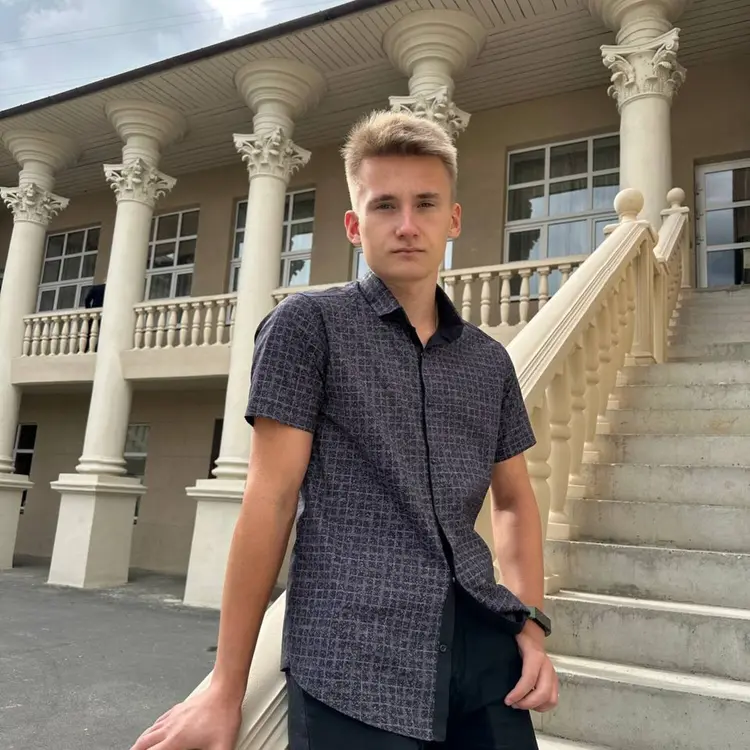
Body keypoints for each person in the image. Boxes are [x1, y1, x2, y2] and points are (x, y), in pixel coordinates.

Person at [131, 110, 558, 750]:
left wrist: (529, 626)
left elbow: (515, 500)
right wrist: (225, 686)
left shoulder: (487, 360)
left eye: (425, 204)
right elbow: (270, 501)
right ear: (355, 226)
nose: (407, 224)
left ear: (453, 220)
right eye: (385, 205)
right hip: (352, 659)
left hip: (484, 654)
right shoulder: (308, 327)